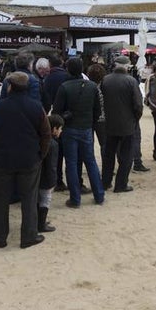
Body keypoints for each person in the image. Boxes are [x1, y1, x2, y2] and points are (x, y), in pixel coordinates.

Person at [0, 72, 51, 249]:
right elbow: (46, 134)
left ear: (10, 86)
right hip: (29, 159)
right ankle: (28, 236)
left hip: (2, 158)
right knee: (29, 199)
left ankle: (0, 236)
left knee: (1, 199)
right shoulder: (36, 107)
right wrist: (40, 155)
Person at [52, 57, 106, 208]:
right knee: (90, 161)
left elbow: (56, 112)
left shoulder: (64, 87)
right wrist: (91, 123)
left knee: (71, 163)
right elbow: (97, 110)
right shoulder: (92, 86)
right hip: (86, 127)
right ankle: (99, 194)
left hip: (70, 128)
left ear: (68, 69)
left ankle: (75, 199)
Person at [99, 56, 143, 193]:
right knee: (126, 155)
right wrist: (135, 119)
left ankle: (105, 182)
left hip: (110, 123)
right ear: (127, 66)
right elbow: (138, 105)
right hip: (127, 124)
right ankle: (121, 184)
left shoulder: (105, 80)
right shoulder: (131, 81)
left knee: (108, 155)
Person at [39, 115, 63, 233]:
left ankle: (39, 221)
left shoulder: (40, 139)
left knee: (38, 199)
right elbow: (52, 165)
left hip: (38, 176)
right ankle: (41, 224)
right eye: (60, 129)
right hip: (47, 178)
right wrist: (54, 180)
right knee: (46, 199)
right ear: (54, 129)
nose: (61, 131)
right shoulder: (53, 145)